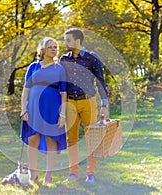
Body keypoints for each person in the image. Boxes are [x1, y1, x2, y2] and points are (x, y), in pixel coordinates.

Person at [59, 28, 109, 183]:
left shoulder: (92, 58)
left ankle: (91, 174)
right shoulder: (63, 59)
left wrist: (104, 104)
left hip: (88, 101)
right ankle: (73, 173)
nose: (65, 43)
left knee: (91, 138)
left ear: (77, 41)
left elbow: (100, 81)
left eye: (68, 40)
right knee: (71, 139)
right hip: (70, 104)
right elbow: (60, 83)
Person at [20, 37, 67, 183]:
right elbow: (25, 90)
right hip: (33, 108)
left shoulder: (59, 69)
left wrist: (63, 114)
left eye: (55, 47)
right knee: (32, 139)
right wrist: (23, 110)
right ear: (43, 50)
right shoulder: (33, 67)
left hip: (52, 107)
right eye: (50, 47)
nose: (54, 49)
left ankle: (48, 175)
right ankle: (33, 174)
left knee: (51, 140)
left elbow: (64, 94)